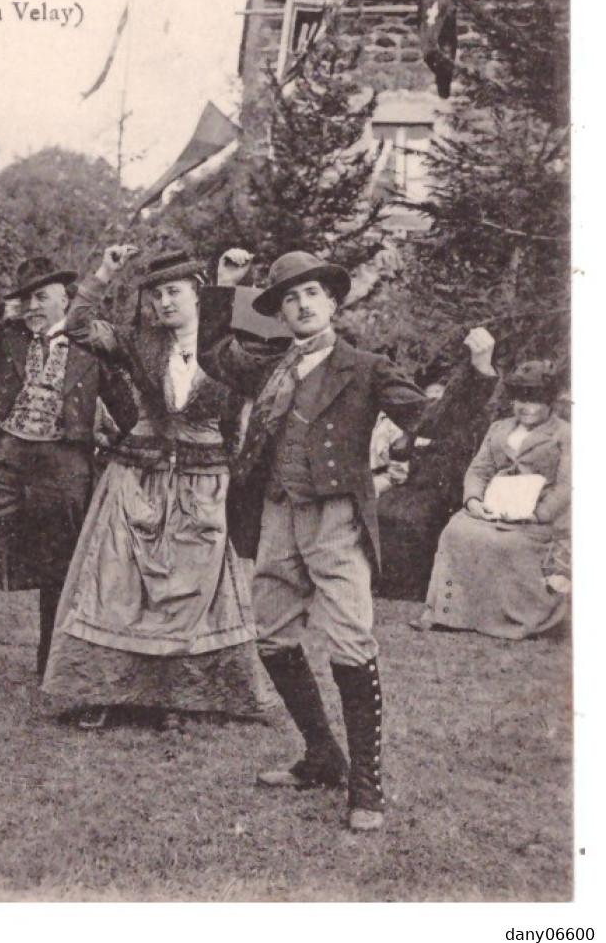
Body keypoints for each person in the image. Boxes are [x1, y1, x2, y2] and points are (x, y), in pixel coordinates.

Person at [199, 247, 498, 832]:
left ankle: (366, 783)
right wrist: (224, 286)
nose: (302, 304)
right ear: (280, 315)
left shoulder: (366, 366)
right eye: (289, 298)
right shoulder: (270, 365)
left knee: (351, 643)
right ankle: (321, 755)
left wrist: (479, 372)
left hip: (337, 519)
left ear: (333, 303)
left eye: (312, 293)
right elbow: (213, 355)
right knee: (273, 639)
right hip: (277, 515)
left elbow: (428, 423)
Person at [39, 247, 263, 726]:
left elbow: (265, 359)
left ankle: (175, 698)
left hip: (203, 479)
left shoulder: (232, 348)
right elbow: (77, 326)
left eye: (174, 291)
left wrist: (230, 284)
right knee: (117, 580)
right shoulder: (138, 341)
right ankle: (104, 693)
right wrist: (104, 272)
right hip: (136, 474)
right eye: (156, 293)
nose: (164, 302)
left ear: (198, 292)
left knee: (189, 588)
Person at [0, 227, 136, 679]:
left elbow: (129, 408)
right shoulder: (11, 337)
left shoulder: (92, 343)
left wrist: (125, 446)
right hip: (4, 456)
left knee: (56, 562)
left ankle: (49, 657)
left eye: (41, 297)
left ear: (67, 298)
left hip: (64, 463)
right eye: (26, 300)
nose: (32, 307)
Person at [416, 361, 570, 639]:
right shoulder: (499, 428)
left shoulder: (564, 434)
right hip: (494, 507)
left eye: (533, 400)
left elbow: (566, 485)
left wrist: (536, 515)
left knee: (507, 543)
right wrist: (474, 501)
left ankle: (512, 619)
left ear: (549, 402)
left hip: (536, 516)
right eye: (519, 398)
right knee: (456, 531)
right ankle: (450, 614)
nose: (524, 406)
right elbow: (479, 469)